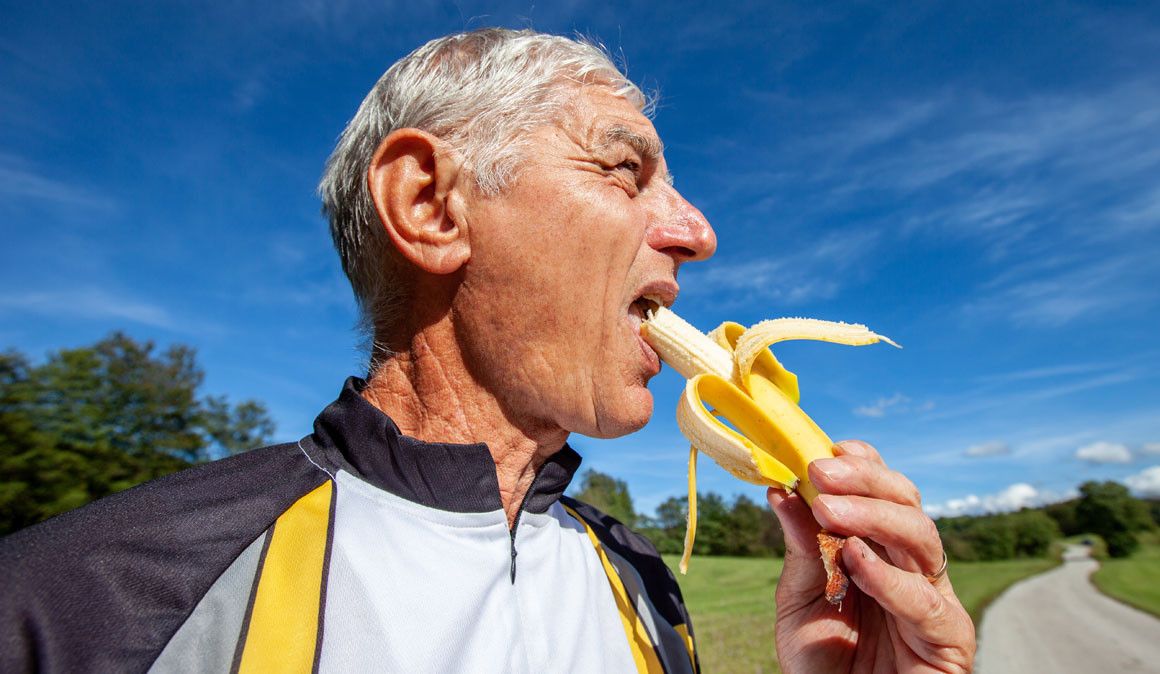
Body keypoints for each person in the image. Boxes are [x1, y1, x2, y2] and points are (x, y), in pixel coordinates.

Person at [0, 28, 974, 673]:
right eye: (623, 169)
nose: (697, 232)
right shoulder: (78, 608)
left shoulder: (640, 577)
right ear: (430, 206)